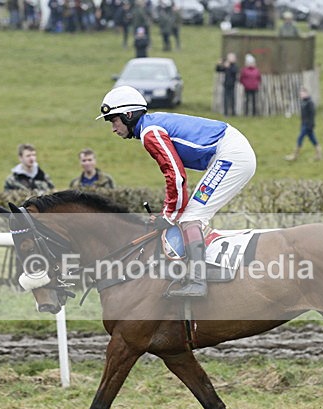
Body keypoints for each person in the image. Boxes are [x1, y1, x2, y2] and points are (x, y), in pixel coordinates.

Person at [96, 85, 257, 298]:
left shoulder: (149, 132)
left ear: (128, 115)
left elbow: (176, 175)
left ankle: (198, 281)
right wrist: (169, 213)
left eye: (113, 120)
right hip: (229, 152)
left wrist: (169, 216)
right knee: (190, 214)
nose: (113, 128)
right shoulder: (151, 125)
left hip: (231, 155)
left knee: (191, 216)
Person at [285, 87, 322, 162]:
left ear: (307, 93)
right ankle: (319, 155)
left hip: (308, 125)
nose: (301, 95)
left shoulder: (310, 103)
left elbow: (312, 115)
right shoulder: (303, 102)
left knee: (300, 138)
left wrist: (310, 125)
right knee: (313, 140)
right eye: (300, 93)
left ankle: (294, 156)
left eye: (303, 93)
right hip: (304, 124)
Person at [215, 52, 239, 117]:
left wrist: (228, 67)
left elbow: (235, 71)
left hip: (232, 85)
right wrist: (218, 64)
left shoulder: (234, 66)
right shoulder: (226, 65)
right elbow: (218, 70)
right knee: (225, 99)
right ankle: (226, 113)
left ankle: (233, 112)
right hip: (226, 84)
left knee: (233, 99)